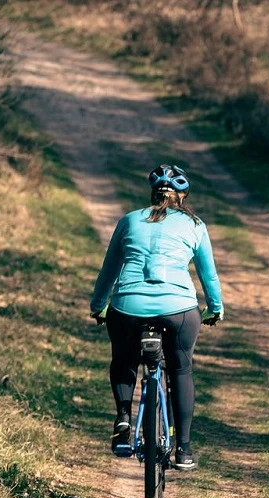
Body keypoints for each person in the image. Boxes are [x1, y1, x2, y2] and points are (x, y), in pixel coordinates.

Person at [90, 164, 224, 471]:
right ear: (182, 197)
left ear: (153, 194)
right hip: (179, 310)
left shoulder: (128, 221)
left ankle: (123, 421)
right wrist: (215, 309)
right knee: (181, 369)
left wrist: (99, 305)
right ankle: (185, 449)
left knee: (124, 360)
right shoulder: (195, 225)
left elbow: (109, 270)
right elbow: (209, 276)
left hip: (128, 307)